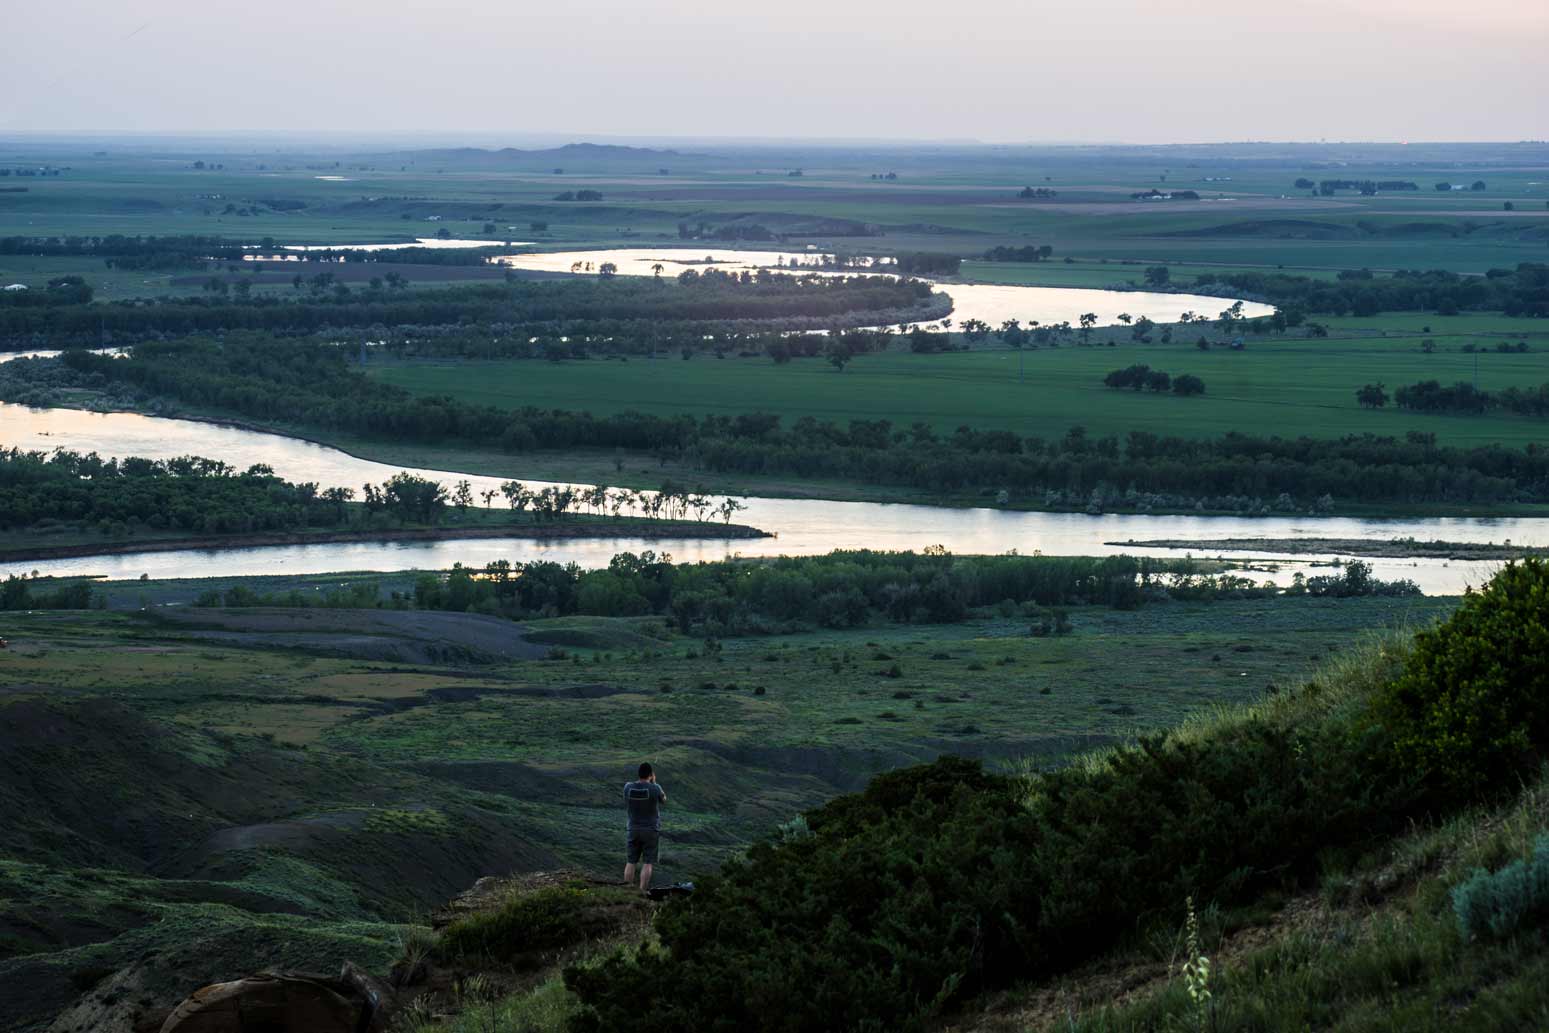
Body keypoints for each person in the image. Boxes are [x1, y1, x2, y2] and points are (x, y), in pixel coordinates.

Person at [623, 762, 666, 892]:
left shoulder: (627, 787)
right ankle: (642, 891)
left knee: (631, 861)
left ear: (639, 773)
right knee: (647, 863)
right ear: (650, 774)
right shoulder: (655, 788)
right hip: (650, 830)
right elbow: (664, 800)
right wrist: (654, 782)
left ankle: (627, 891)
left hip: (633, 829)